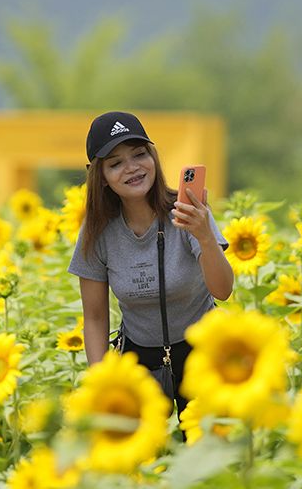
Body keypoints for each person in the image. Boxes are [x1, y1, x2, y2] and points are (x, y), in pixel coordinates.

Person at [67, 111, 234, 415]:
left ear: (153, 157)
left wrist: (205, 236)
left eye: (139, 154)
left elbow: (223, 290)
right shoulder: (96, 233)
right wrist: (101, 382)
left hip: (203, 350)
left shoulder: (187, 211)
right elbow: (93, 317)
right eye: (116, 163)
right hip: (138, 356)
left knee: (207, 449)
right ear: (100, 176)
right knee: (135, 455)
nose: (132, 168)